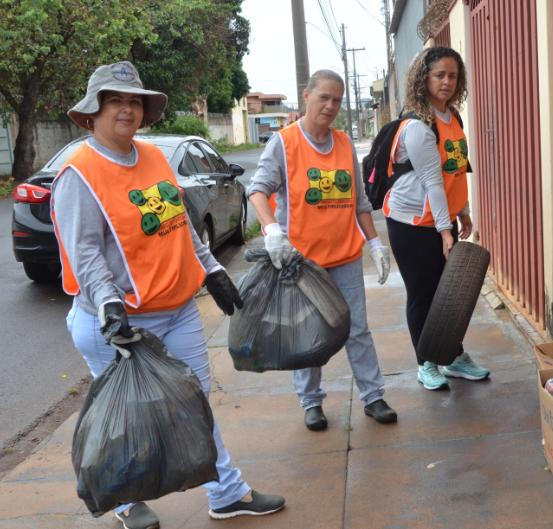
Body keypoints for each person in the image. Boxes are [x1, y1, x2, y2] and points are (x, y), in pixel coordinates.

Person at [51, 61, 285, 529]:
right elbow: (85, 253)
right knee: (128, 419)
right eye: (115, 100)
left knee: (195, 403)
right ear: (92, 112)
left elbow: (181, 226)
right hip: (119, 324)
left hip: (176, 312)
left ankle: (226, 493)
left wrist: (213, 270)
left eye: (134, 100)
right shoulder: (80, 172)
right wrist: (110, 307)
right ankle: (125, 502)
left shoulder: (154, 158)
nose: (127, 109)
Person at [248, 69, 398, 431]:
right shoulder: (283, 143)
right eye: (324, 98)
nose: (330, 106)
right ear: (306, 96)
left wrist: (374, 243)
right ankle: (311, 402)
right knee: (307, 333)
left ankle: (373, 395)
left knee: (357, 329)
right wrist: (271, 231)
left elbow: (360, 201)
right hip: (302, 262)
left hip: (345, 256)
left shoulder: (344, 143)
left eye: (337, 100)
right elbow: (257, 190)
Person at [383, 46, 490, 391]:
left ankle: (454, 357)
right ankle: (426, 362)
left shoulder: (452, 117)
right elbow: (431, 182)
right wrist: (447, 232)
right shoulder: (419, 124)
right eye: (439, 75)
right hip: (410, 222)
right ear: (424, 79)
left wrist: (463, 212)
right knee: (423, 294)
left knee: (450, 293)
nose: (446, 82)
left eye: (452, 76)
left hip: (440, 217)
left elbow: (453, 171)